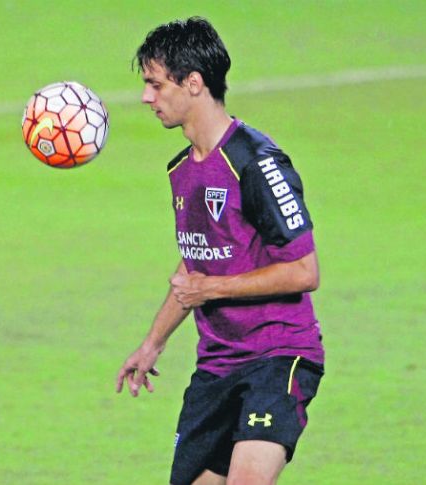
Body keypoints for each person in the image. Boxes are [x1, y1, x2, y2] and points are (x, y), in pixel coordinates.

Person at [115, 17, 325, 485]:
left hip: (279, 354)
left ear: (193, 83)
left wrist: (210, 287)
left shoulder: (256, 161)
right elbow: (196, 263)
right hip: (217, 364)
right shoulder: (182, 171)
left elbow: (304, 270)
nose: (146, 97)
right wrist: (153, 342)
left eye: (155, 84)